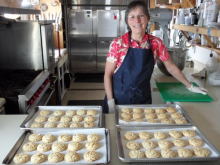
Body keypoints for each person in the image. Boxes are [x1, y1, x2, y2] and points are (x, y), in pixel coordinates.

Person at [103, 0, 207, 113]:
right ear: (127, 21)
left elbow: (171, 68)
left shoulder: (155, 43)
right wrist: (110, 101)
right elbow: (108, 75)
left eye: (141, 15)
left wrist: (190, 86)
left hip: (142, 99)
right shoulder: (118, 44)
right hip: (118, 99)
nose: (136, 20)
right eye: (132, 17)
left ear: (148, 19)